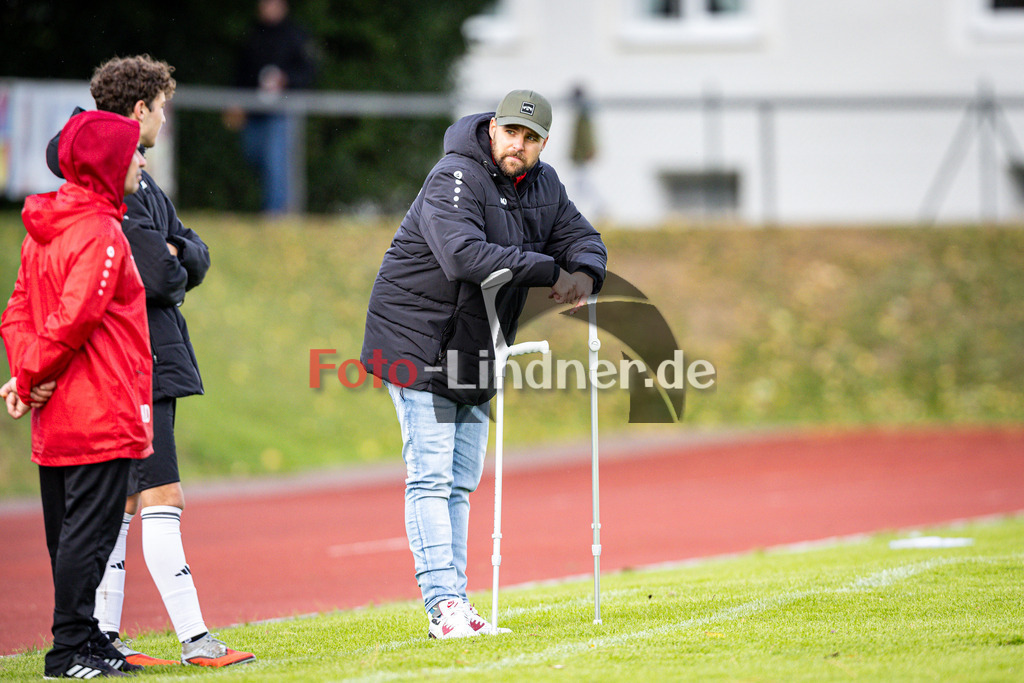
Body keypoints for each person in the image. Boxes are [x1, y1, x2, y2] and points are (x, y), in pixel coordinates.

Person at [360, 89, 607, 639]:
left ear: (544, 143)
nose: (518, 145)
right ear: (493, 127)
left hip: (477, 349)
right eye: (511, 132)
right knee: (430, 477)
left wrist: (585, 274)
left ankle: (459, 604)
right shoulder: (454, 175)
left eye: (531, 138)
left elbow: (582, 238)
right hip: (416, 342)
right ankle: (442, 606)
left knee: (460, 484)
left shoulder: (545, 185)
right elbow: (462, 255)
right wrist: (550, 273)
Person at [45, 55, 255, 668]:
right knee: (161, 495)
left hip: (143, 356)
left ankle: (105, 637)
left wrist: (177, 252)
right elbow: (162, 273)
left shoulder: (136, 176)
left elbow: (193, 252)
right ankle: (195, 639)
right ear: (140, 110)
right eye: (162, 106)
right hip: (137, 357)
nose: (165, 118)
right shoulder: (114, 179)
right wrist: (175, 255)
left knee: (128, 503)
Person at [1, 110, 152, 679]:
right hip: (98, 410)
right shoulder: (100, 232)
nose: (141, 161)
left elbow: (18, 310)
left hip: (59, 408)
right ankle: (68, 652)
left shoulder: (48, 226)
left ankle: (87, 639)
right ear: (109, 163)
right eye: (134, 153)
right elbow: (74, 319)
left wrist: (26, 374)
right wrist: (29, 375)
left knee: (70, 533)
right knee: (87, 536)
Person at [228, 0, 317, 214]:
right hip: (253, 112)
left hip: (282, 113)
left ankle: (276, 213)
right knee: (254, 156)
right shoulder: (252, 35)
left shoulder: (296, 35)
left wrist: (286, 80)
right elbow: (241, 72)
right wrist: (235, 101)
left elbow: (309, 72)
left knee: (276, 162)